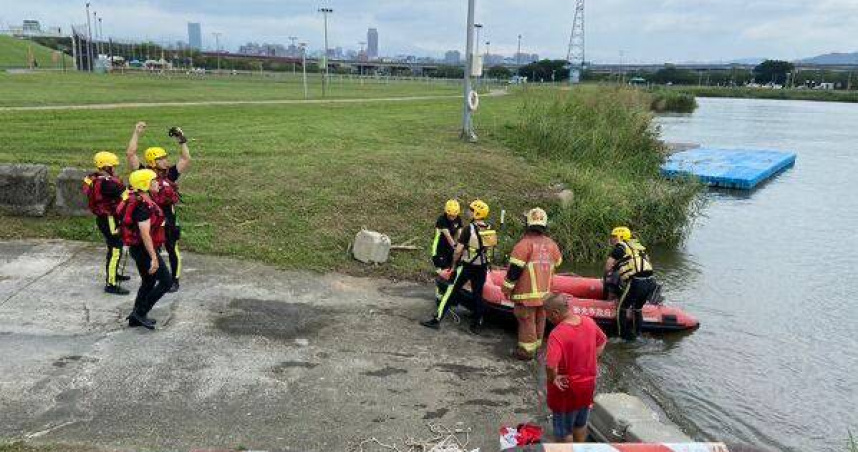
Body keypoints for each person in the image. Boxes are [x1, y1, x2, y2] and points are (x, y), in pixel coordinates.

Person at [126, 121, 191, 293]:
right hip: (152, 221)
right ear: (152, 161)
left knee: (172, 249)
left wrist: (181, 139)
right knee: (152, 250)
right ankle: (156, 277)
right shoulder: (144, 174)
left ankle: (174, 280)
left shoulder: (170, 174)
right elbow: (130, 154)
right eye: (161, 158)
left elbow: (186, 159)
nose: (165, 160)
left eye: (165, 157)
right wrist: (136, 133)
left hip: (169, 220)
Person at [421, 199, 495, 335]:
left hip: (467, 266)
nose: (468, 212)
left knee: (450, 291)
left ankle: (437, 319)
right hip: (482, 267)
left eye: (471, 210)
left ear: (477, 213)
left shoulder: (469, 229)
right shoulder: (489, 229)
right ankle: (476, 324)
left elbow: (458, 250)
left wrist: (454, 265)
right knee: (478, 295)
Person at [544, 293, 607, 443]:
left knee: (563, 433)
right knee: (580, 425)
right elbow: (603, 340)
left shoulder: (557, 334)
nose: (547, 318)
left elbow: (550, 365)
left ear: (555, 313)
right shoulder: (589, 322)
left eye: (548, 315)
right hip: (587, 387)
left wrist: (553, 378)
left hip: (566, 391)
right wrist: (591, 359)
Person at [502, 207, 563, 360]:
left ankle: (526, 352)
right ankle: (537, 349)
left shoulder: (524, 245)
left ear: (528, 224)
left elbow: (514, 271)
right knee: (540, 319)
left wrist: (507, 289)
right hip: (545, 294)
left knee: (526, 321)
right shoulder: (552, 245)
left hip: (526, 295)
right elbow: (558, 262)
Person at [117, 169, 172, 329]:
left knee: (148, 281)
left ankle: (136, 316)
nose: (158, 184)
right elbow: (145, 234)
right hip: (144, 250)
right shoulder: (142, 207)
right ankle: (140, 313)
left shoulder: (141, 199)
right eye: (154, 181)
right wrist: (154, 257)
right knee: (166, 281)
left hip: (138, 249)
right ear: (145, 185)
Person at [83, 151, 130, 295]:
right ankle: (111, 284)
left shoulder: (95, 178)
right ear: (106, 167)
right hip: (110, 220)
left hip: (104, 219)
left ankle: (113, 274)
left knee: (112, 247)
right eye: (113, 166)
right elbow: (126, 195)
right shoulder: (108, 184)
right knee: (116, 249)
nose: (115, 169)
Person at [604, 226, 656, 341]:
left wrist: (610, 274)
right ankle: (638, 334)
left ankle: (622, 336)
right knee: (637, 309)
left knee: (622, 308)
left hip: (636, 282)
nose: (611, 238)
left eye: (613, 236)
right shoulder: (639, 248)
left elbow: (608, 266)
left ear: (620, 237)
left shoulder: (619, 248)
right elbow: (646, 263)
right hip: (651, 282)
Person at [431, 199, 463, 274]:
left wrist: (462, 244)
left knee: (451, 267)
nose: (452, 217)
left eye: (454, 216)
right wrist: (455, 247)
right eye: (450, 215)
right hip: (439, 249)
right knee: (443, 270)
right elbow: (448, 236)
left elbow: (460, 233)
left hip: (450, 248)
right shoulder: (442, 219)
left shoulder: (458, 219)